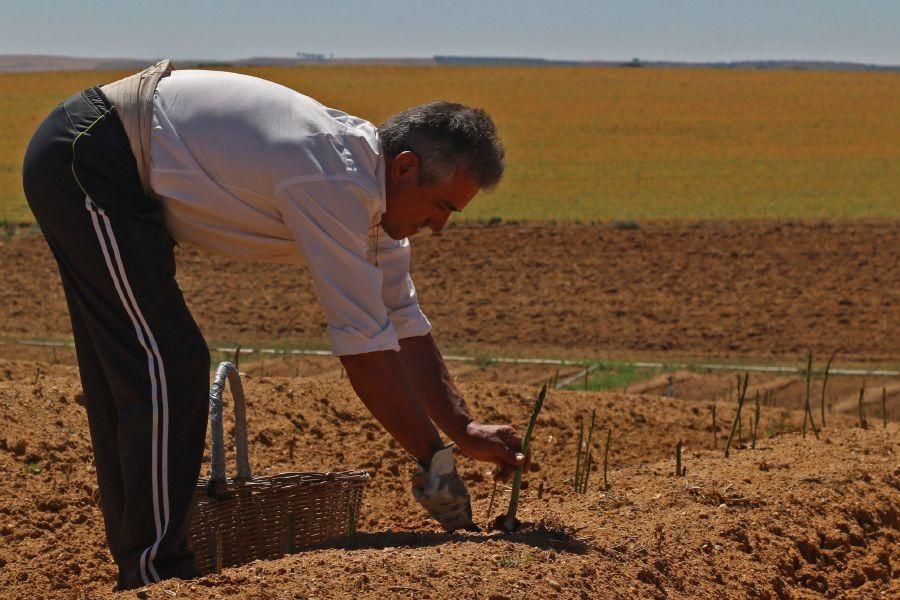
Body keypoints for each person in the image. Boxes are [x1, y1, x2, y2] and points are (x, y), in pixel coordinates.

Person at [22, 61, 529, 590]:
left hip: (118, 172)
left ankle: (146, 564)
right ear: (404, 168)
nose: (441, 226)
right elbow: (364, 350)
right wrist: (434, 459)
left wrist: (462, 429)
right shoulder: (334, 180)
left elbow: (402, 324)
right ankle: (155, 575)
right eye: (442, 205)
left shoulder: (379, 212)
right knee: (165, 366)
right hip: (88, 155)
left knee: (143, 368)